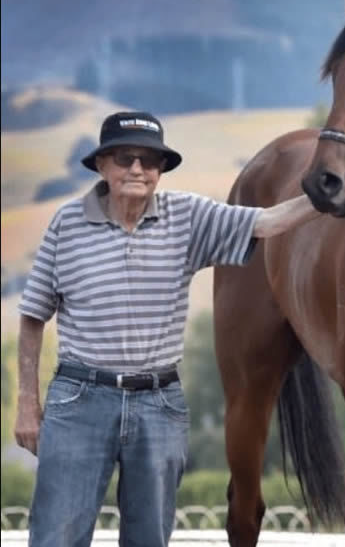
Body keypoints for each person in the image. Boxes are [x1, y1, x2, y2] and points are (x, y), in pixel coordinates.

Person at [14, 111, 323, 547]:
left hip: (158, 405)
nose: (138, 169)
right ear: (101, 165)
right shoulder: (67, 224)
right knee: (55, 538)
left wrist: (327, 194)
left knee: (150, 539)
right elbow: (32, 314)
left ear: (161, 170)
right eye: (125, 158)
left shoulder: (188, 216)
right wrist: (28, 401)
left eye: (150, 160)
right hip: (80, 400)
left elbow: (266, 222)